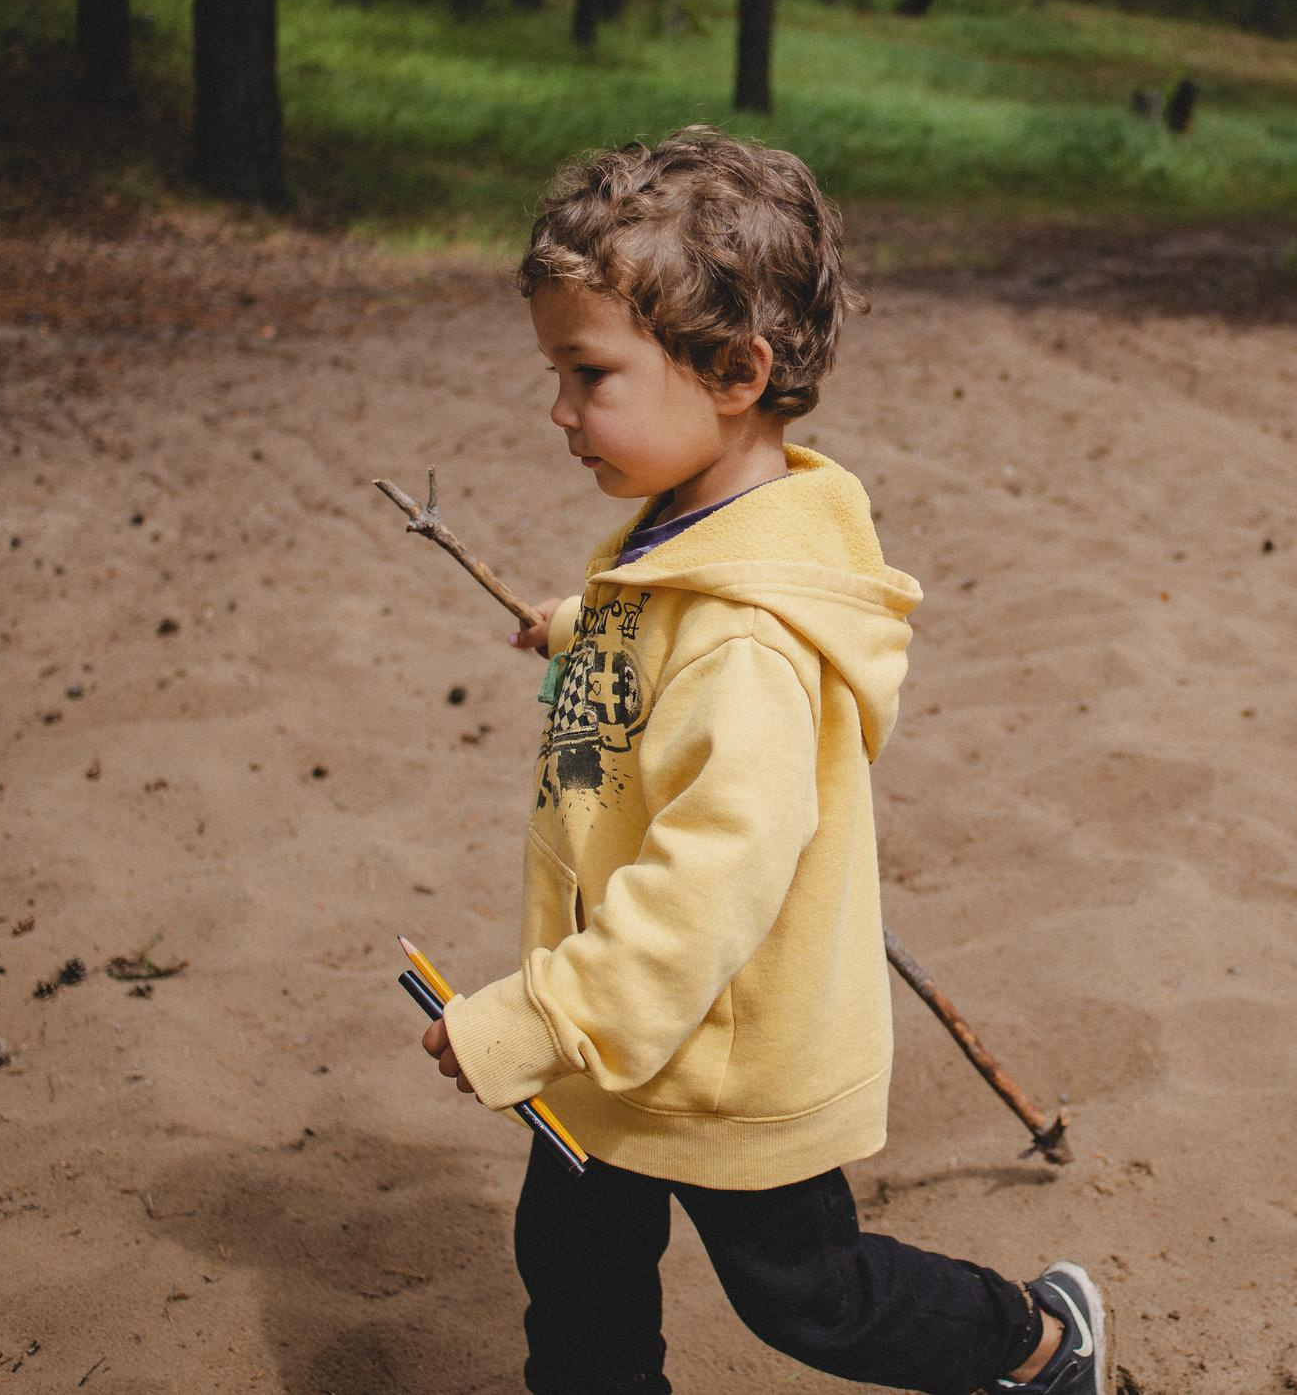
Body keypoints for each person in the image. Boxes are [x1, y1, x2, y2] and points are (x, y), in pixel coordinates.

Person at [419, 126, 1108, 1395]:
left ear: (734, 370)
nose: (559, 410)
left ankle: (1036, 1342)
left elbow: (708, 883)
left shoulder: (749, 643)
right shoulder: (690, 534)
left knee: (811, 1298)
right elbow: (665, 619)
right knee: (573, 1275)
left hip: (720, 1045)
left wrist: (540, 1012)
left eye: (589, 373)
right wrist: (586, 627)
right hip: (614, 1044)